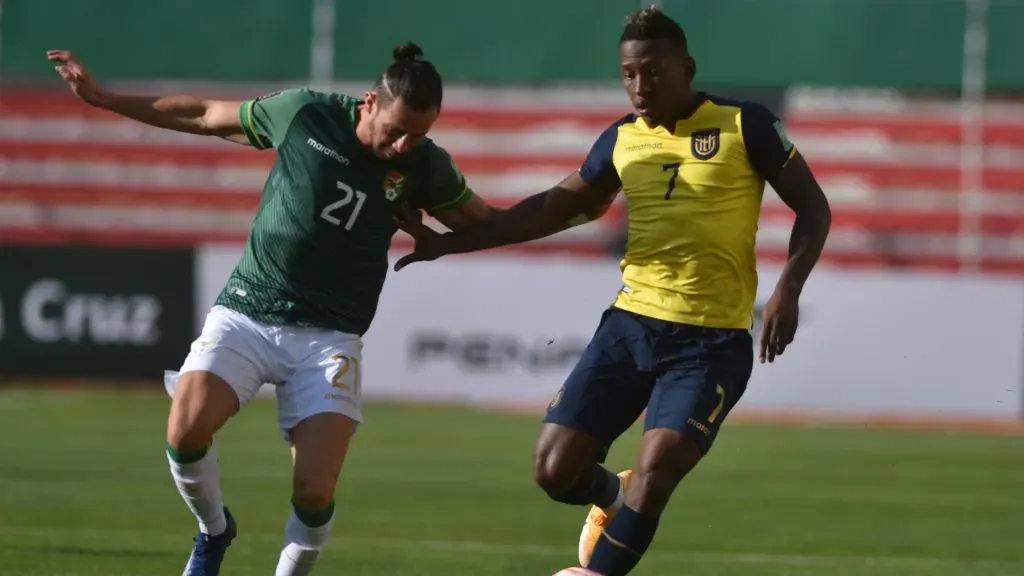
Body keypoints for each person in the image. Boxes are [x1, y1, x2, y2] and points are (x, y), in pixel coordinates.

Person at [46, 42, 559, 576]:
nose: (405, 143)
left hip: (330, 338)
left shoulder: (425, 166)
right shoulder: (305, 113)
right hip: (250, 308)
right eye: (398, 129)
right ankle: (214, 531)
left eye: (420, 135)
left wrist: (548, 212)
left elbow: (481, 220)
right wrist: (103, 98)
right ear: (369, 103)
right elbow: (204, 115)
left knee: (315, 493)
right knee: (185, 431)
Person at [392, 7, 832, 576]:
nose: (639, 86)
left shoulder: (744, 125)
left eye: (652, 72)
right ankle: (613, 497)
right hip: (630, 327)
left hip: (711, 342)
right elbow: (554, 207)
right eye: (629, 74)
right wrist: (450, 243)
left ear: (686, 68)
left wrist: (787, 290)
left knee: (660, 466)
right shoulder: (622, 139)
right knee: (554, 469)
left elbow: (813, 207)